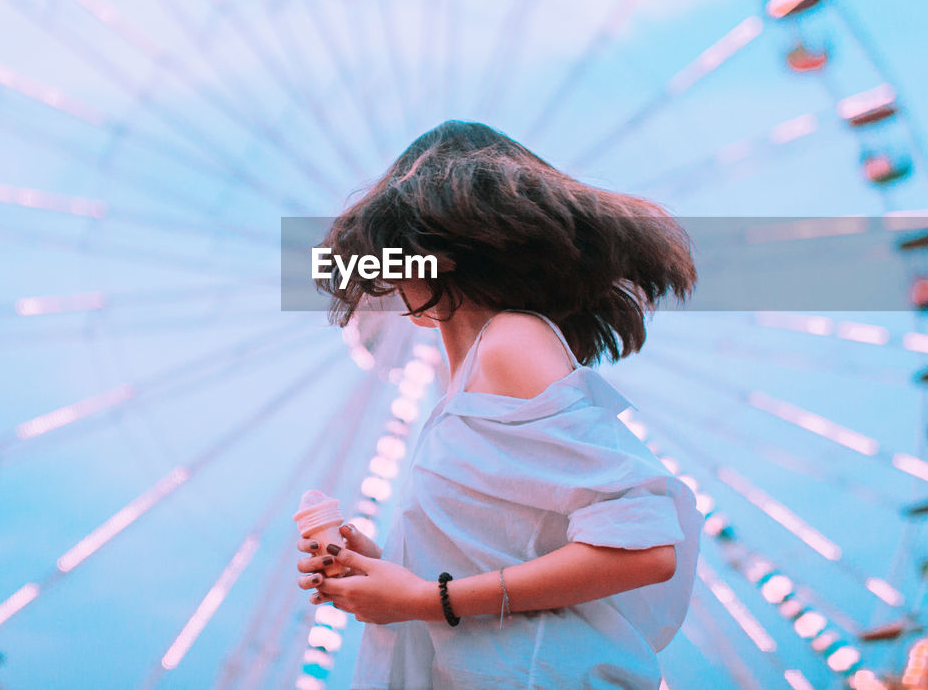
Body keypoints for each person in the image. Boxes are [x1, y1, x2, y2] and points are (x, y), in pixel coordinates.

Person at [294, 120, 704, 689]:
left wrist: (427, 598)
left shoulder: (512, 342)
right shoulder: (466, 389)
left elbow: (645, 547)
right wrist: (385, 569)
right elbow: (510, 553)